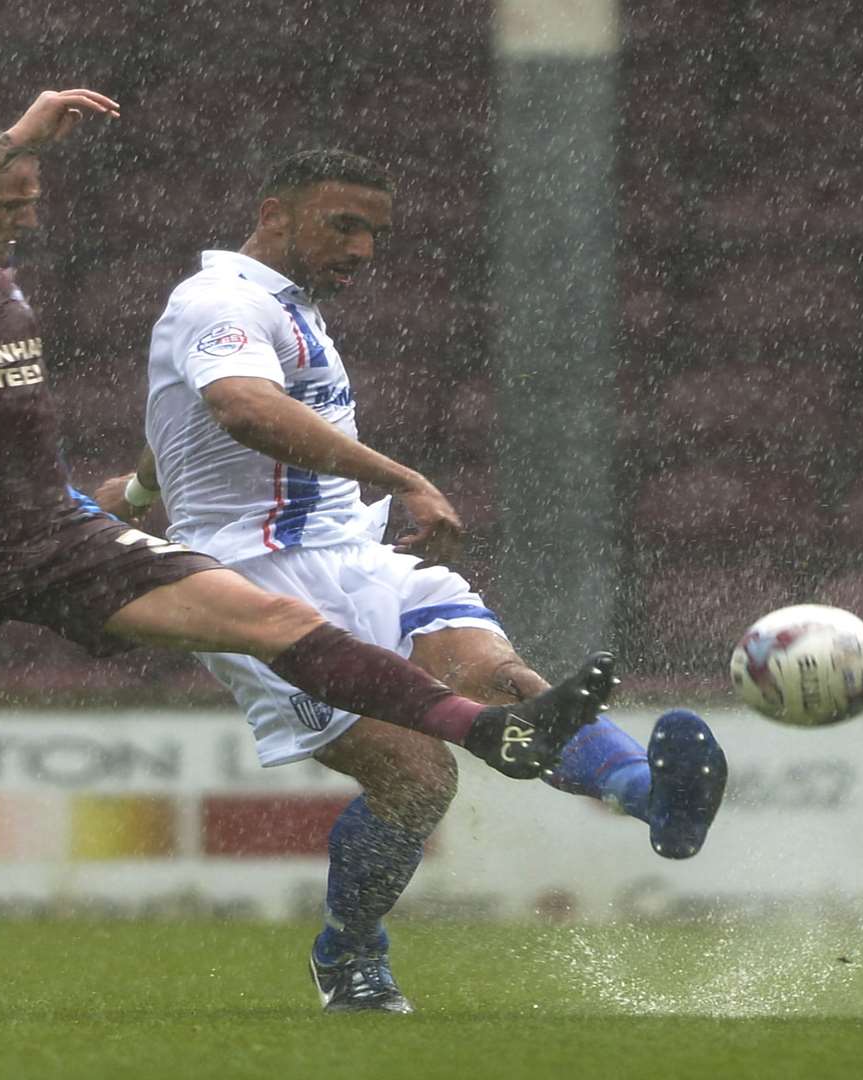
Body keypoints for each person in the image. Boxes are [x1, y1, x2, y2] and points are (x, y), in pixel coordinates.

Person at [0, 93, 616, 1015]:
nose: (24, 215)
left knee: (267, 616)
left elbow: (7, 437)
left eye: (30, 196)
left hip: (55, 533)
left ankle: (493, 735)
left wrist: (133, 493)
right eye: (7, 197)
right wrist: (19, 136)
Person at [94, 149, 729, 1014]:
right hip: (255, 588)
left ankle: (652, 801)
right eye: (343, 225)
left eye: (376, 234)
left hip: (358, 556)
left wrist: (135, 492)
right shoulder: (221, 299)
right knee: (418, 779)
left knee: (509, 685)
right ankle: (349, 955)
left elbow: (195, 416)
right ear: (275, 213)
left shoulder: (286, 307)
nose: (362, 248)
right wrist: (401, 476)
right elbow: (239, 404)